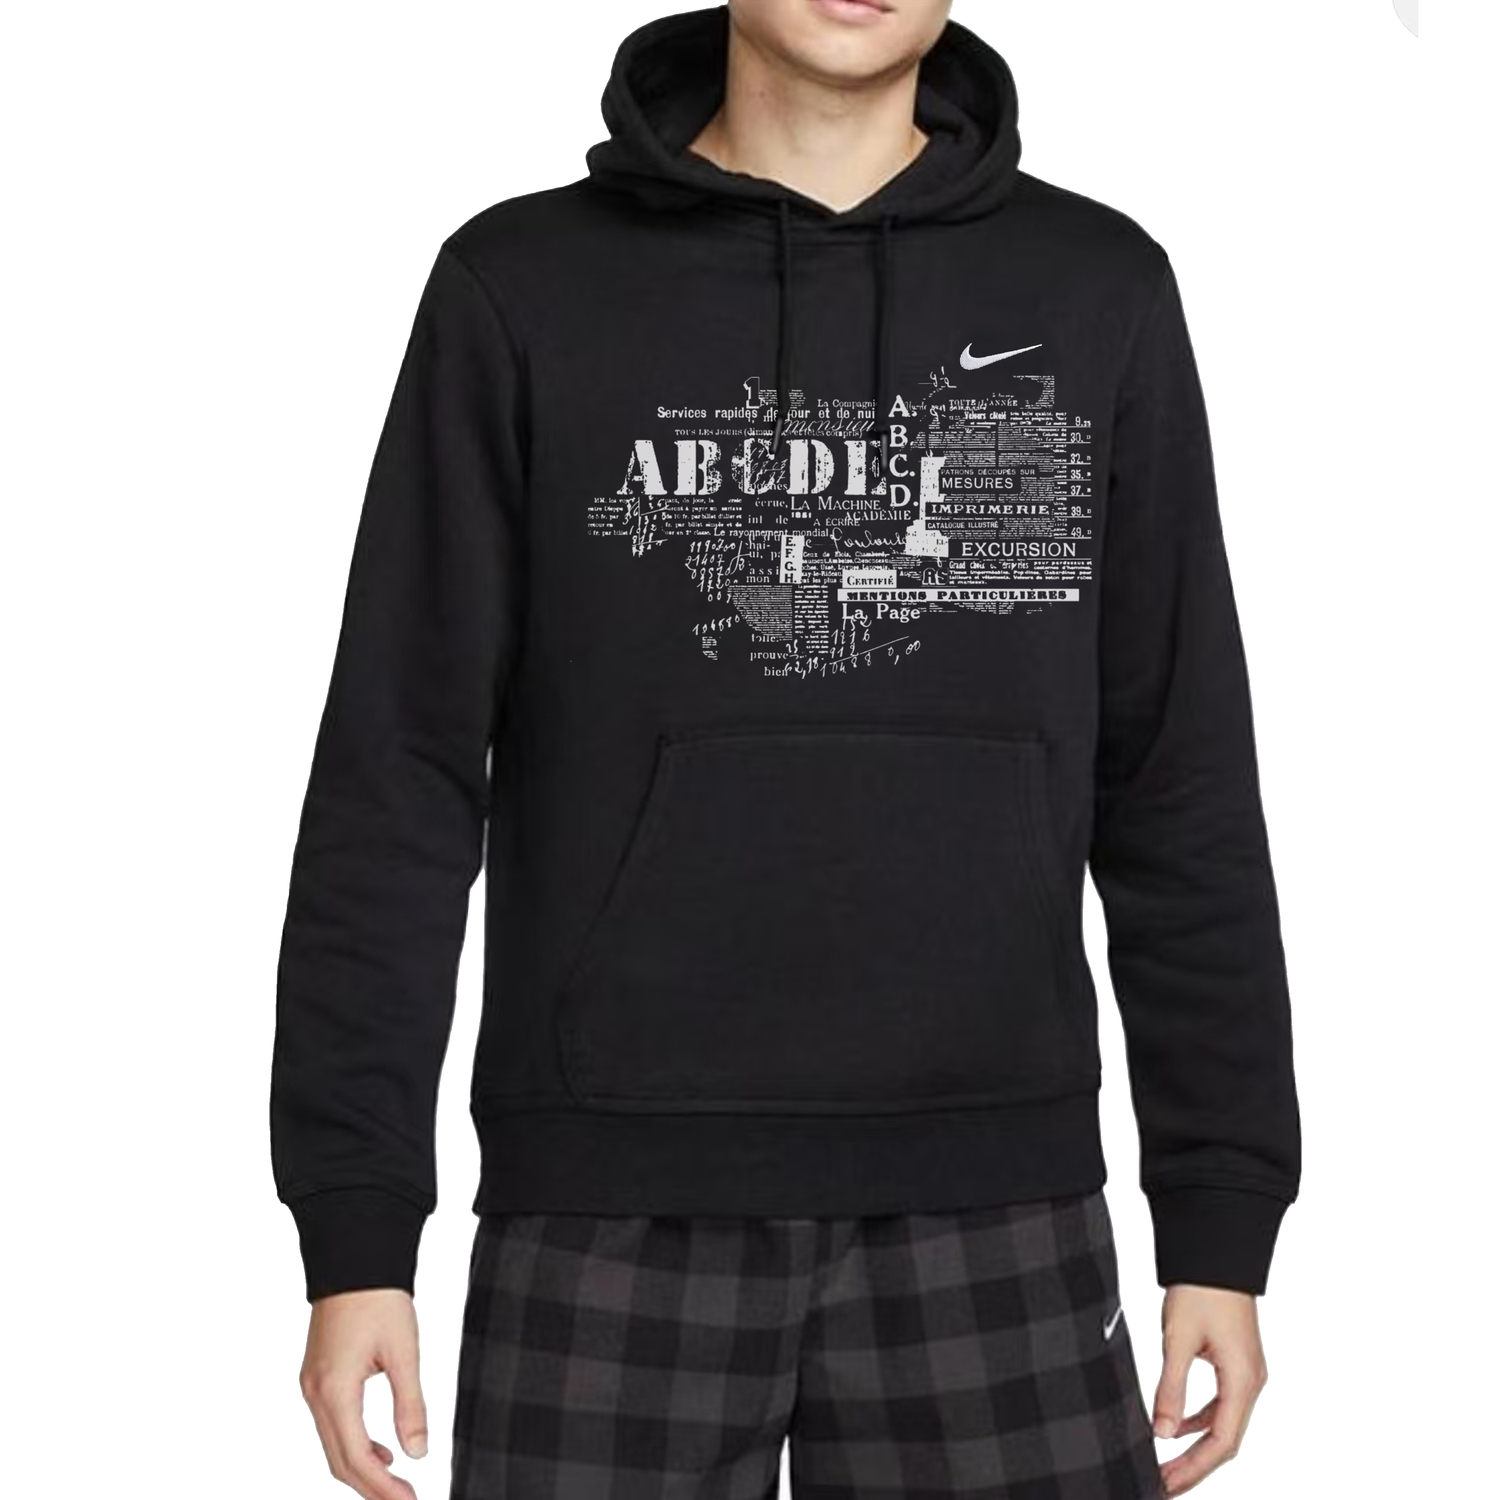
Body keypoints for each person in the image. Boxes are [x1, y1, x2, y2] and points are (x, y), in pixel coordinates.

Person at [271, 3, 1301, 1497]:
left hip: (996, 1188)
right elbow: (399, 775)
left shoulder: (1097, 289)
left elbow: (1177, 779)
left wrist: (1220, 1206)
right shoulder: (521, 285)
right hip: (609, 1196)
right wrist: (357, 1226)